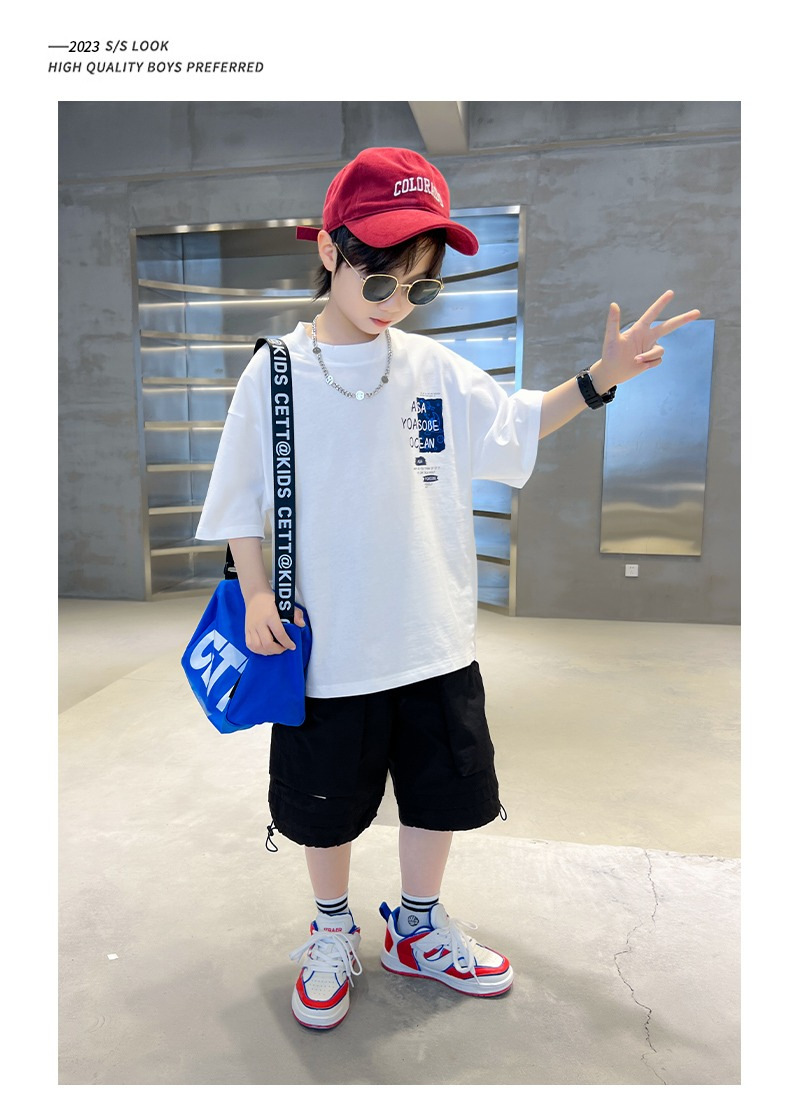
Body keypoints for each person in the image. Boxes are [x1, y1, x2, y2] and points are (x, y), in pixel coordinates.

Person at [195, 146, 699, 1030]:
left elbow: (515, 424)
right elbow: (240, 497)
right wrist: (260, 596)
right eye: (379, 279)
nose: (394, 302)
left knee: (441, 796)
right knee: (325, 809)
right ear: (328, 249)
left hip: (433, 639)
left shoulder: (431, 368)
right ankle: (331, 928)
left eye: (418, 286)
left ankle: (418, 927)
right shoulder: (275, 372)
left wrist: (599, 381)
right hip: (330, 649)